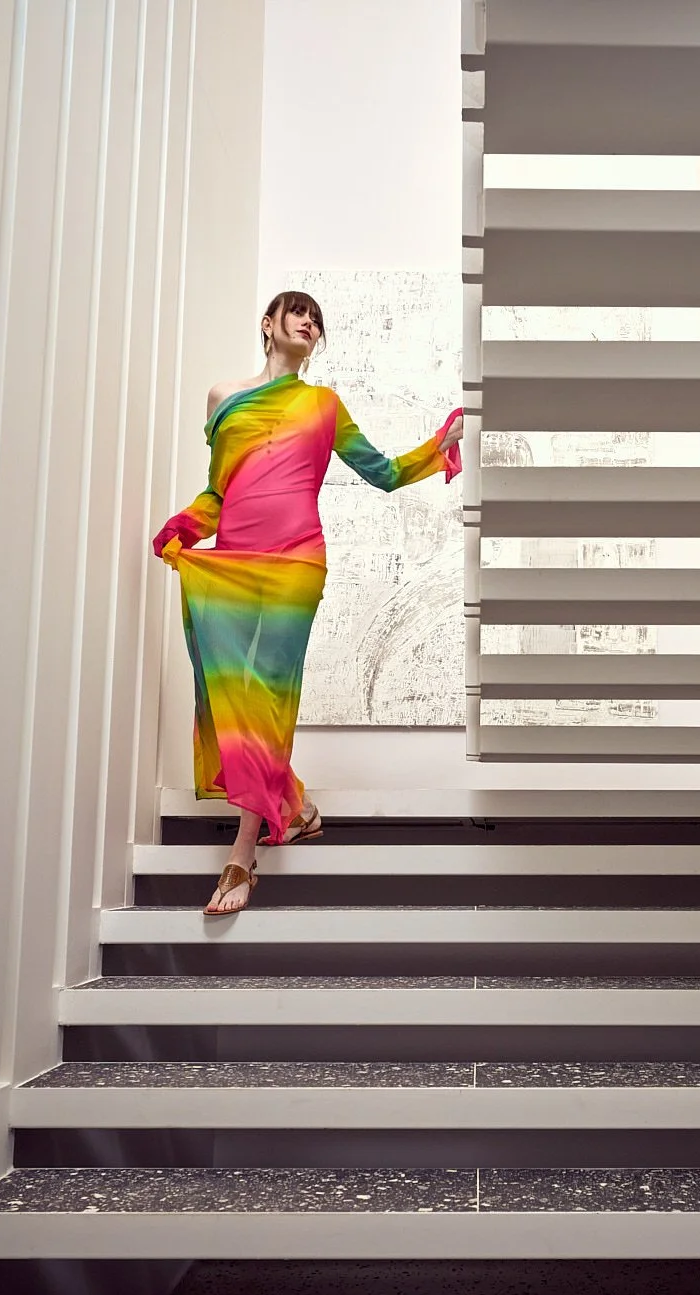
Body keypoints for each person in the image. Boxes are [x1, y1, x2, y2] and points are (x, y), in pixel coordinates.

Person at [152, 291, 464, 916]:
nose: (310, 322)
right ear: (267, 325)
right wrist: (187, 522)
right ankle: (293, 806)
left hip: (296, 562)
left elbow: (382, 472)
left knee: (267, 691)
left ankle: (242, 855)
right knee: (230, 688)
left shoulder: (324, 405)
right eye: (298, 311)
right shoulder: (223, 398)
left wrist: (439, 445)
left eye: (318, 319)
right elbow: (222, 490)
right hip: (235, 561)